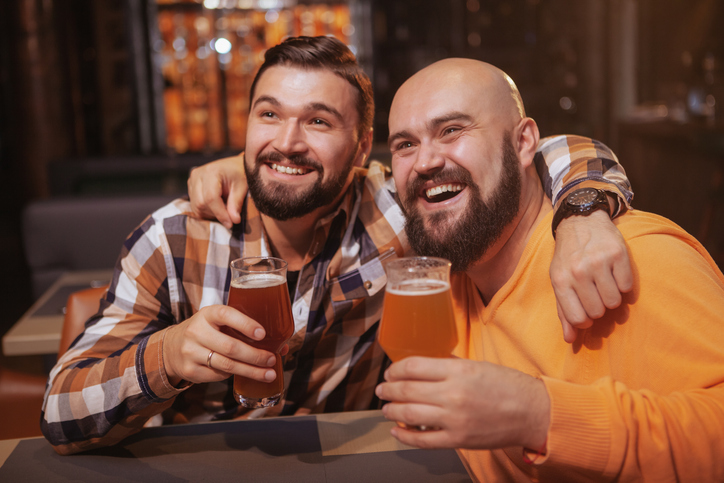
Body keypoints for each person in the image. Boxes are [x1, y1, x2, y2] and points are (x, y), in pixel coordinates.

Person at [41, 36, 632, 456]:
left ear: (361, 149)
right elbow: (59, 414)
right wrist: (165, 356)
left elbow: (536, 152)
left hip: (359, 458)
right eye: (268, 115)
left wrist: (580, 214)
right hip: (204, 463)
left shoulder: (398, 207)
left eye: (318, 122)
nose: (287, 142)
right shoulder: (174, 237)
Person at [374, 58, 724, 482]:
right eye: (405, 144)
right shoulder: (436, 282)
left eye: (451, 130)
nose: (425, 161)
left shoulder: (633, 257)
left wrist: (539, 414)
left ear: (524, 143)